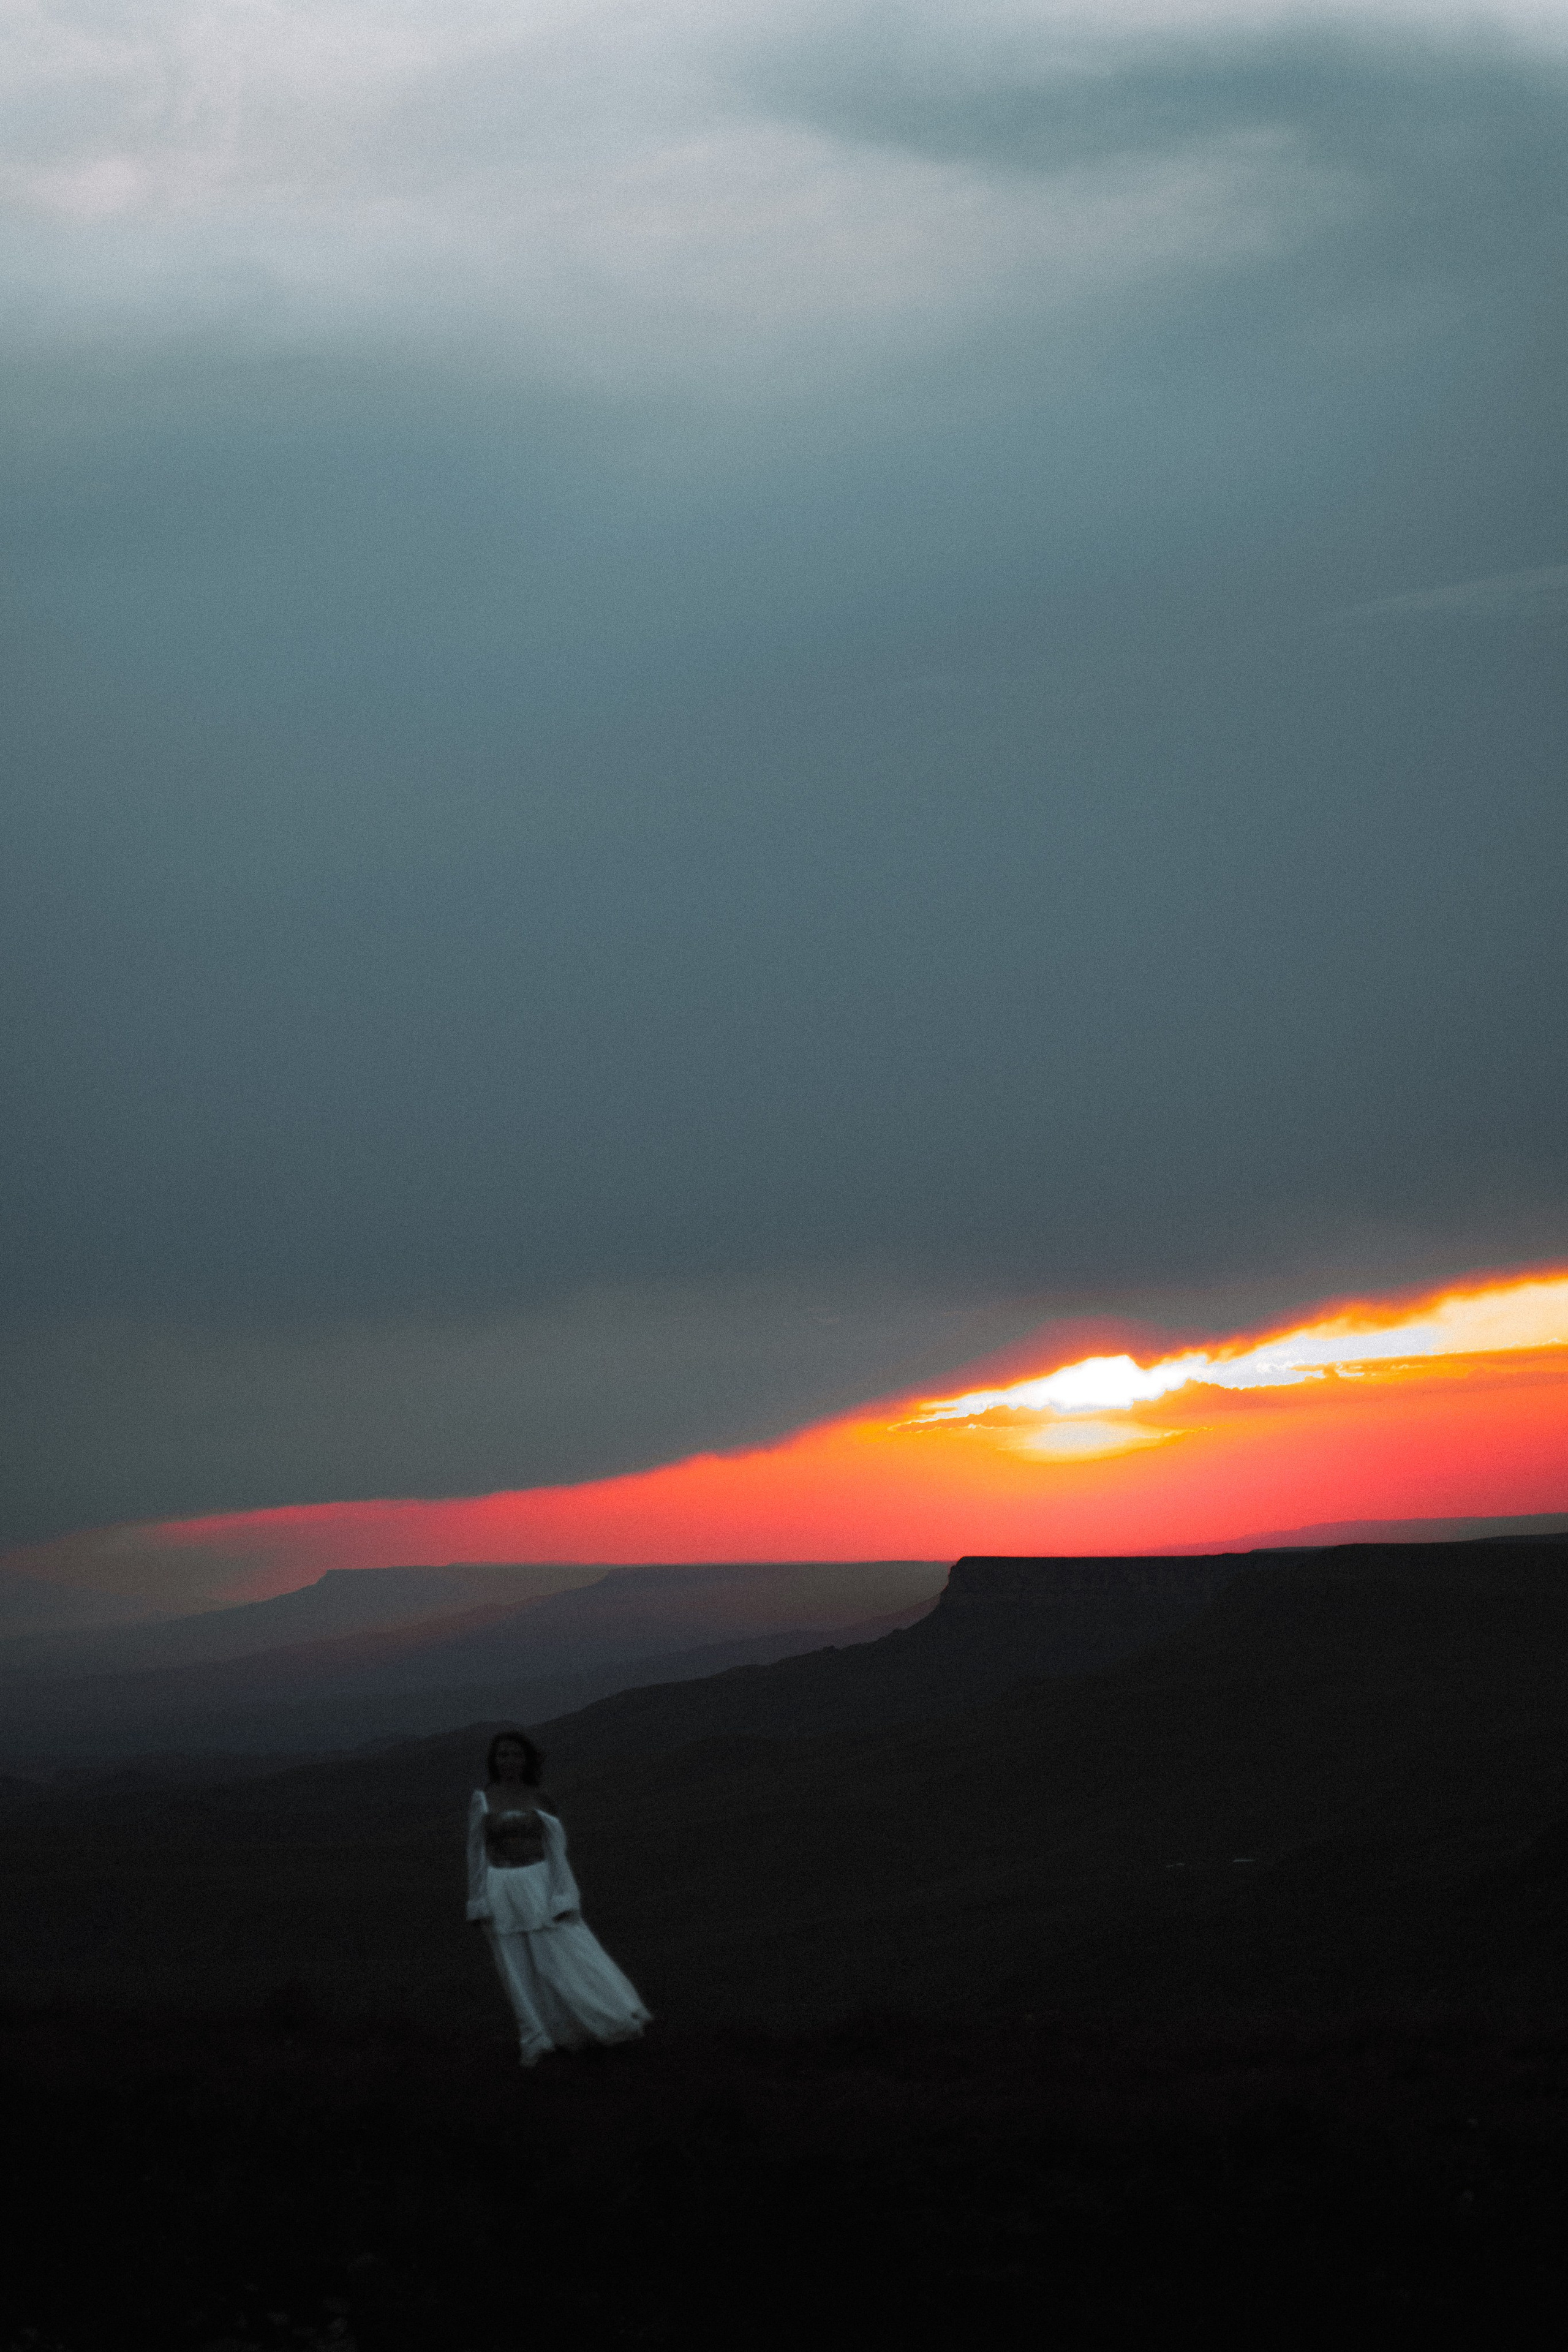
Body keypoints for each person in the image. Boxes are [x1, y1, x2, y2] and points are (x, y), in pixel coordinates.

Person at [467, 1728, 650, 2066]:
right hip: (501, 1888)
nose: (508, 1761)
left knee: (564, 1954)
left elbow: (557, 1851)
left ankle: (607, 2016)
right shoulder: (482, 1800)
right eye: (502, 1755)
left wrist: (564, 1895)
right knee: (517, 1967)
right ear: (494, 1761)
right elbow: (476, 1853)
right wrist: (478, 1901)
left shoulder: (541, 1799)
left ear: (527, 1760)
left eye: (515, 1755)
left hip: (538, 1882)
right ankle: (541, 2038)